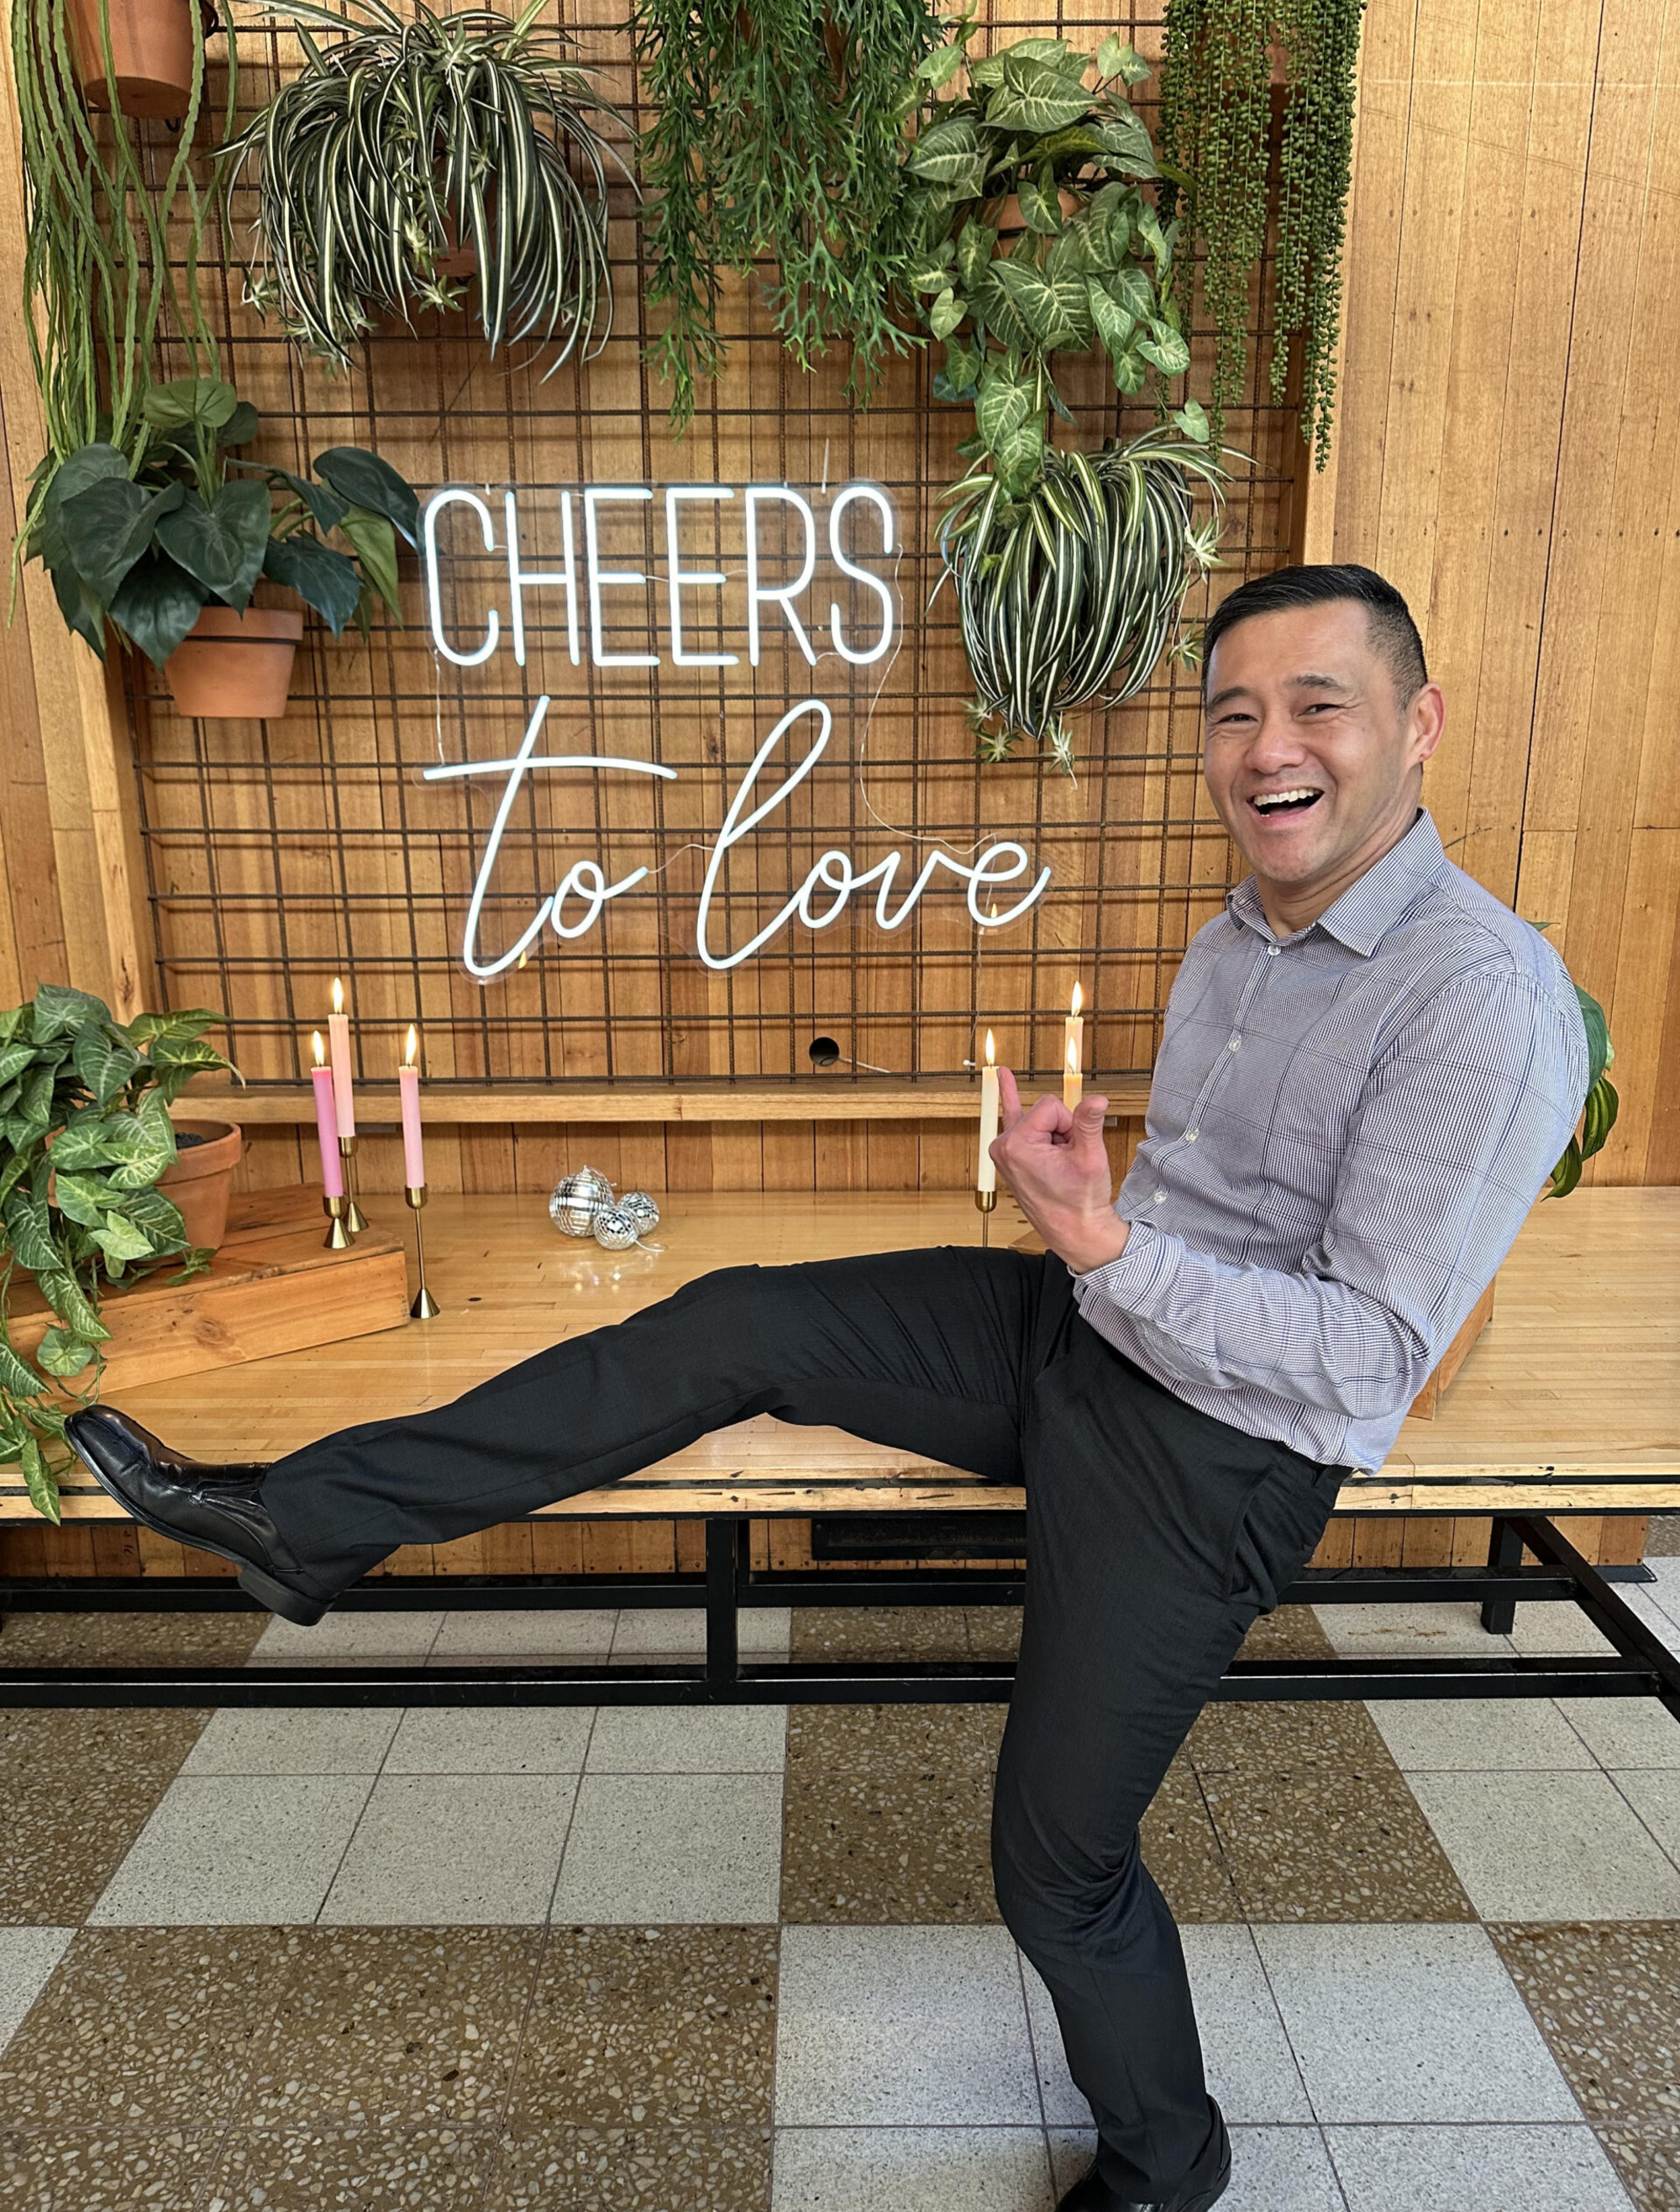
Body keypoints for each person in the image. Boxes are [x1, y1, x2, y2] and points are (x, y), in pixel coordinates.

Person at [68, 564, 1587, 2212]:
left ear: (1415, 723)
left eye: (1317, 704)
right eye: (1232, 710)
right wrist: (1106, 1217)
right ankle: (301, 1519)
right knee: (735, 1321)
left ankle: (1170, 2157)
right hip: (1094, 1322)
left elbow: (1370, 1352)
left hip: (1214, 1445)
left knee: (1057, 1864)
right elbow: (1206, 1222)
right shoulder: (1243, 931)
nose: (1266, 746)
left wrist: (1101, 1244)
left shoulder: (1475, 994)